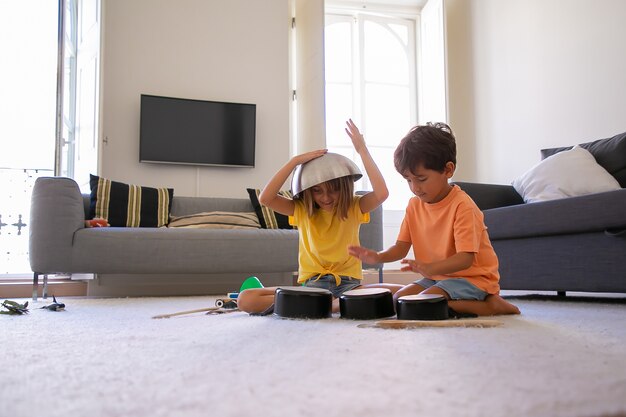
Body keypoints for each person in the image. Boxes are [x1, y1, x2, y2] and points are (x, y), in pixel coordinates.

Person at [348, 122, 520, 316]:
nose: (415, 187)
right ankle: (475, 301)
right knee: (399, 300)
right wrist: (378, 256)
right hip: (437, 278)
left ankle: (493, 305)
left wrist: (430, 267)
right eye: (408, 180)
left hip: (472, 278)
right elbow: (400, 248)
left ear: (448, 170)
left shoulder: (463, 206)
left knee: (426, 304)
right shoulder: (414, 205)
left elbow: (465, 259)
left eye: (421, 179)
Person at [238, 119, 402, 314]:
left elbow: (382, 193)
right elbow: (266, 198)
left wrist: (362, 150)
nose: (325, 197)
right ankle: (332, 304)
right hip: (313, 288)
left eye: (332, 190)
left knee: (403, 293)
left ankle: (330, 304)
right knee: (245, 298)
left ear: (344, 188)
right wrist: (294, 162)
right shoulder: (302, 210)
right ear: (309, 191)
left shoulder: (354, 206)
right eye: (317, 191)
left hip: (350, 287)